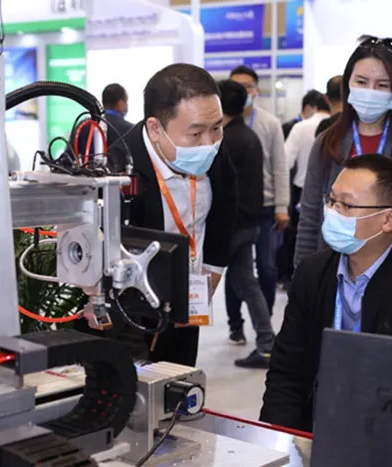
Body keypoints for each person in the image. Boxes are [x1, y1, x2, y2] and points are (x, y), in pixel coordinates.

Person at [260, 154, 392, 432]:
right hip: (312, 426)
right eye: (331, 201)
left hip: (386, 436)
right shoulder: (312, 272)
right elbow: (286, 370)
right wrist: (282, 438)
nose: (332, 212)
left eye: (346, 205)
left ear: (388, 219)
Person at [75, 64, 237, 367]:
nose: (209, 143)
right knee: (132, 383)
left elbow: (223, 216)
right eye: (195, 133)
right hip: (126, 304)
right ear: (155, 128)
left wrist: (207, 282)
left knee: (178, 379)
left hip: (188, 295)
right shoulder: (116, 166)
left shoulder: (213, 150)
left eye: (216, 127)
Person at [295, 35, 392, 268]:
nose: (370, 91)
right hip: (334, 268)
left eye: (382, 85)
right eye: (361, 81)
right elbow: (309, 219)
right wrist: (304, 276)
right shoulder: (328, 142)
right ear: (348, 84)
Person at [218, 79, 276, 369]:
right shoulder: (248, 135)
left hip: (232, 225)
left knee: (244, 283)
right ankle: (266, 343)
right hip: (248, 220)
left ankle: (266, 344)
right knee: (247, 282)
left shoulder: (228, 140)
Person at [229, 65, 290, 319]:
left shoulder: (270, 122)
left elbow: (280, 166)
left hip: (266, 207)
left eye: (247, 87)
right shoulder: (221, 123)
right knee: (234, 267)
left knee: (267, 267)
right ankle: (235, 323)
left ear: (256, 90)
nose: (243, 92)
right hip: (235, 208)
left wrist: (282, 206)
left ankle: (265, 315)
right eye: (237, 87)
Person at [276, 92, 331, 287]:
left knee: (303, 236)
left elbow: (286, 161)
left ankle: (296, 279)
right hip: (338, 193)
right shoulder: (342, 127)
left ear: (312, 107)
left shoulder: (301, 127)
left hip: (303, 190)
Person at [72, 83, 135, 173]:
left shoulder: (83, 125)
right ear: (120, 103)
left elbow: (67, 159)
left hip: (85, 179)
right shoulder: (131, 130)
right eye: (126, 102)